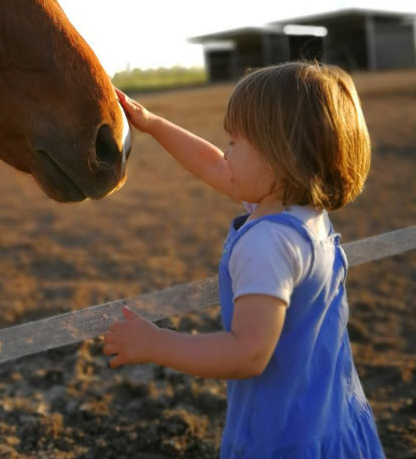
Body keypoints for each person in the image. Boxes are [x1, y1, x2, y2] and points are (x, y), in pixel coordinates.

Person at [103, 61, 385, 458]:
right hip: (333, 419)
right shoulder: (301, 215)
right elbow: (211, 163)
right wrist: (151, 123)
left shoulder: (267, 243)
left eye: (234, 142)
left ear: (275, 155)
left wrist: (155, 343)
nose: (226, 152)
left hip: (281, 440)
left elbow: (247, 353)